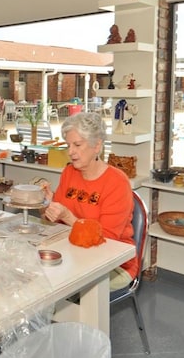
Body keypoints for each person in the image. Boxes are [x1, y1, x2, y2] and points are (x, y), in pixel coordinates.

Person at [42, 112, 137, 291]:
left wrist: (69, 217)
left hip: (114, 263)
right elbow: (55, 221)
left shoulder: (117, 183)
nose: (70, 152)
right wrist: (47, 205)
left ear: (97, 146)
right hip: (74, 251)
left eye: (77, 145)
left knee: (59, 284)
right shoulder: (69, 172)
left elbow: (107, 240)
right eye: (68, 145)